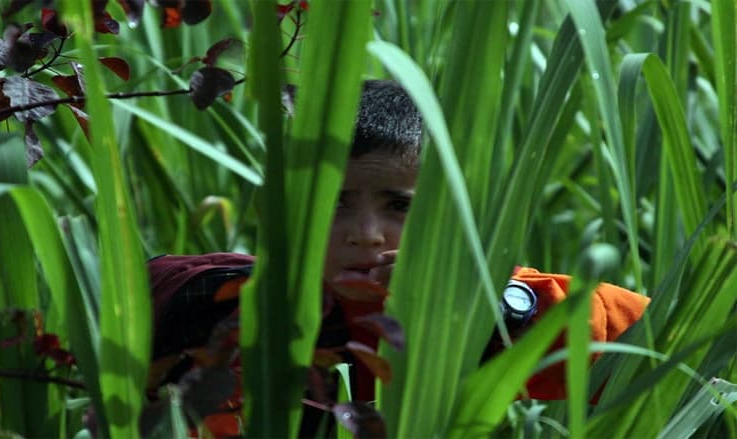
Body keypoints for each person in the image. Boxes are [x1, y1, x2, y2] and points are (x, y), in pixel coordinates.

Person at [146, 80, 650, 436]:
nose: (366, 236)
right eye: (332, 202)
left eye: (400, 206)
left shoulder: (466, 308)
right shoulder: (225, 307)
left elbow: (657, 339)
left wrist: (494, 309)